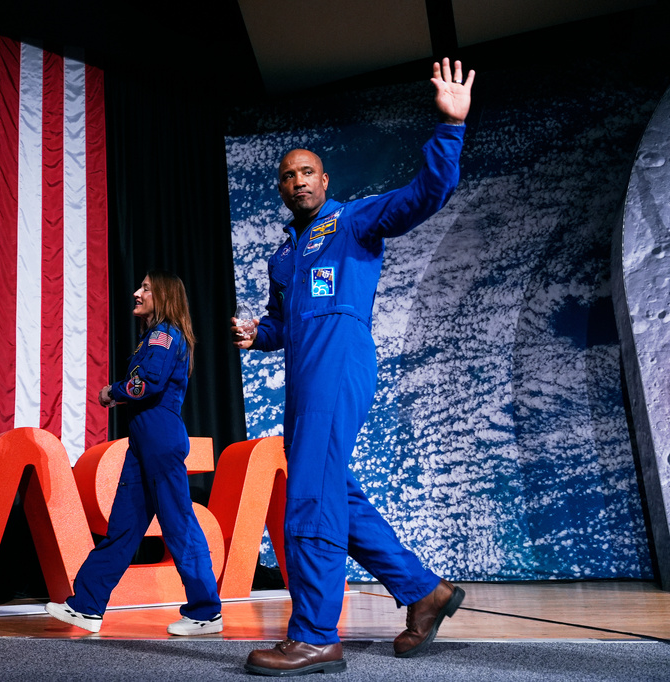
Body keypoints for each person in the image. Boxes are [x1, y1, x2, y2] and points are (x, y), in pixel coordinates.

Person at [233, 58, 475, 675]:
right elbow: (288, 326)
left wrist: (449, 127)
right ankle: (425, 591)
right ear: (281, 188)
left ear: (325, 177)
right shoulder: (283, 257)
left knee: (310, 495)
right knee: (333, 489)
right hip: (305, 371)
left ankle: (316, 635)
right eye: (287, 175)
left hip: (341, 361)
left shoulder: (354, 219)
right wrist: (260, 333)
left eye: (307, 171)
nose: (297, 181)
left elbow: (426, 194)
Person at [46, 270, 223, 636]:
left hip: (159, 437)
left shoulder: (163, 334)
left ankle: (206, 612)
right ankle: (87, 606)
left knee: (179, 525)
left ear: (163, 295)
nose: (136, 293)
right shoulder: (155, 337)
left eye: (145, 288)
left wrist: (113, 391)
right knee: (123, 530)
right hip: (144, 442)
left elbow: (149, 383)